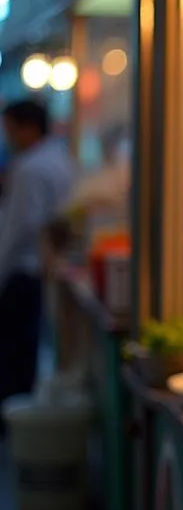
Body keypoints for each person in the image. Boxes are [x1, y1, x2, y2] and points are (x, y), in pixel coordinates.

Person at [0, 100, 76, 409]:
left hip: (23, 272)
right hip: (41, 270)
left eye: (10, 129)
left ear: (29, 128)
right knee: (25, 351)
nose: (8, 137)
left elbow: (18, 228)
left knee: (13, 355)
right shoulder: (61, 160)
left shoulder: (30, 168)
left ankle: (9, 420)